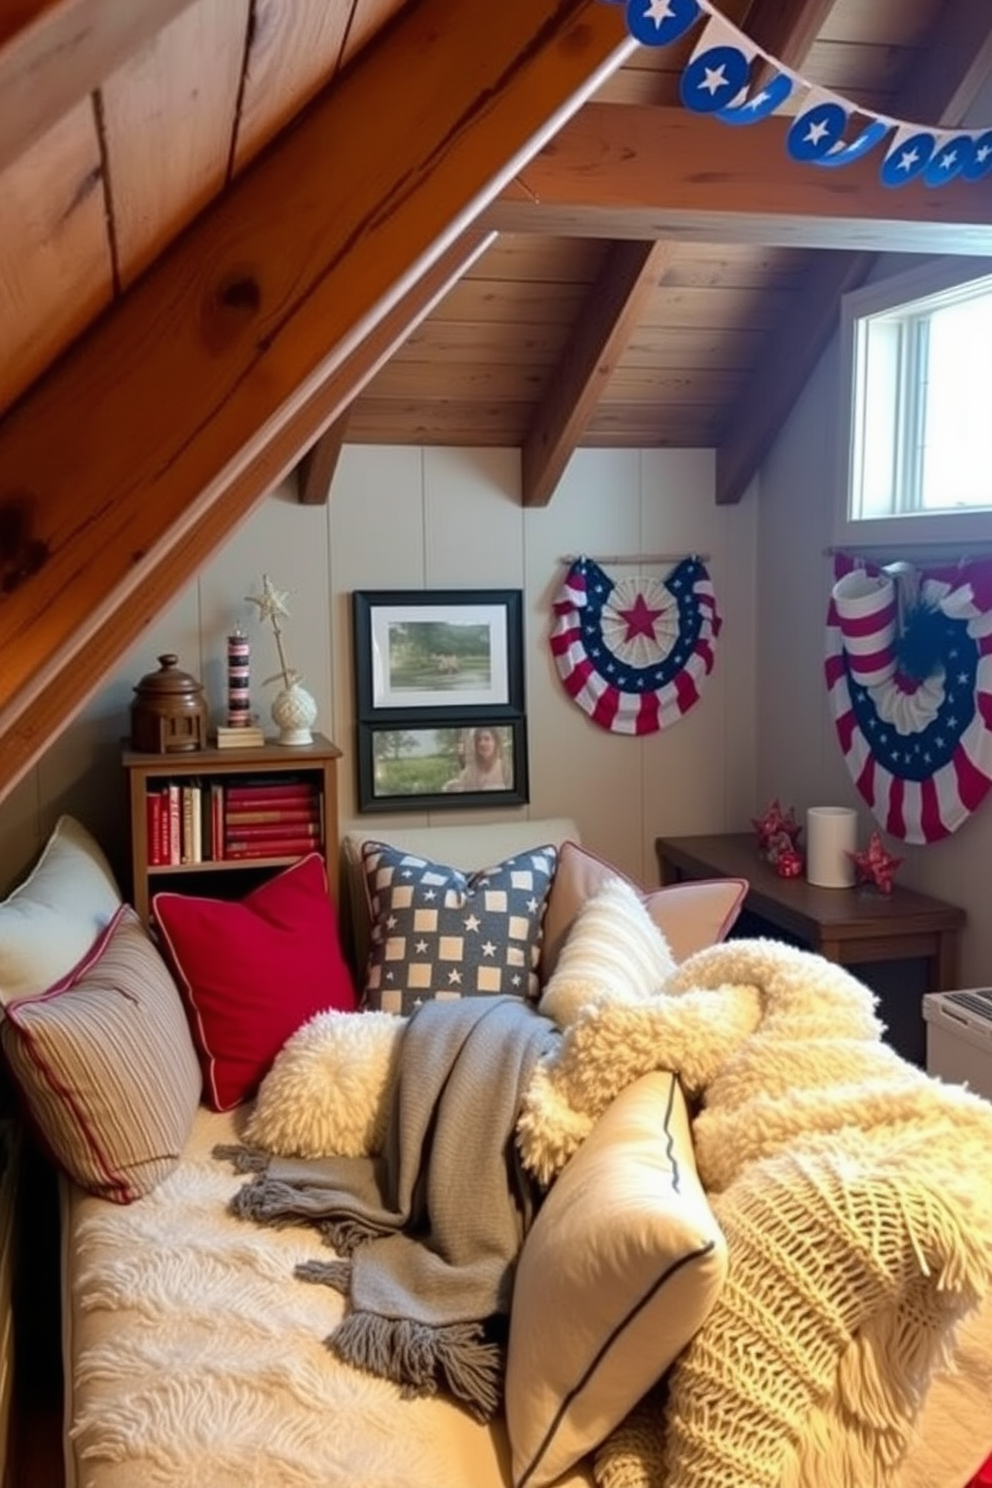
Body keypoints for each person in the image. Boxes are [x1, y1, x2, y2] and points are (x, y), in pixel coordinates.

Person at [442, 727, 509, 792]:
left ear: (495, 743)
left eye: (487, 739)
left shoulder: (504, 768)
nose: (482, 743)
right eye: (479, 740)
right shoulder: (468, 771)